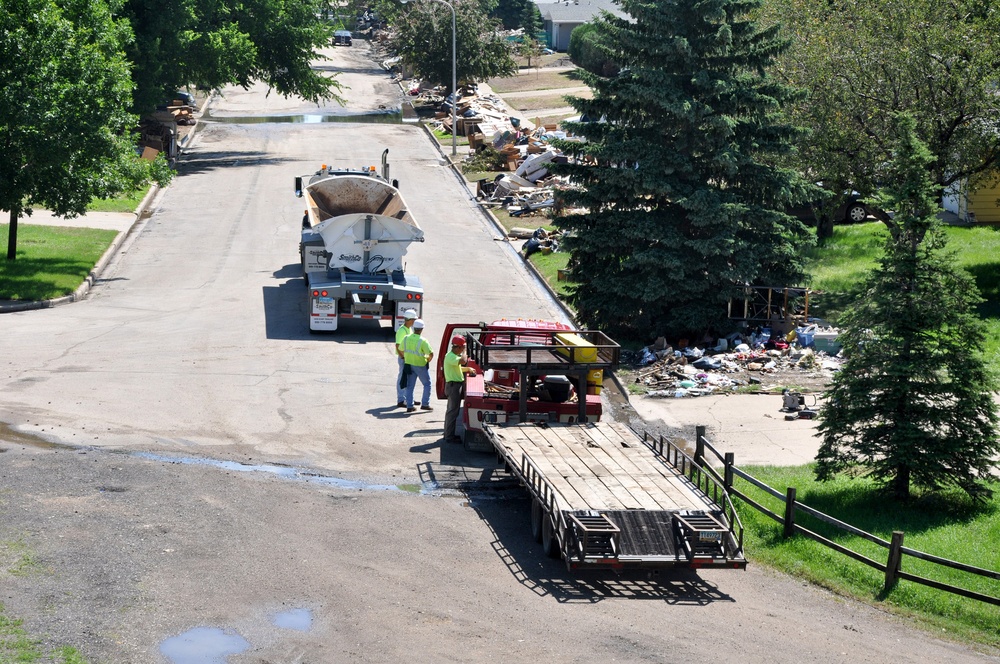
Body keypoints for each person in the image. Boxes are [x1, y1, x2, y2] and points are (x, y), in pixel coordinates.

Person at [443, 335, 476, 443]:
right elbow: (463, 361)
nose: (463, 350)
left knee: (452, 411)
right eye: (462, 348)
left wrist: (468, 369)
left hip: (455, 385)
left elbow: (458, 367)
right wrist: (465, 351)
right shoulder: (451, 356)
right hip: (454, 387)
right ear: (458, 347)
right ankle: (449, 436)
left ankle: (449, 434)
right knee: (452, 412)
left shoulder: (452, 356)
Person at [402, 319, 434, 413]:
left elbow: (401, 349)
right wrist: (428, 360)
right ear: (421, 329)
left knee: (410, 386)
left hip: (409, 364)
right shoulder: (423, 341)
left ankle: (409, 406)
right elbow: (431, 354)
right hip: (420, 365)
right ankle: (425, 404)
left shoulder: (406, 338)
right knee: (427, 384)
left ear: (414, 328)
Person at [395, 309, 417, 407]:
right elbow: (398, 345)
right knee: (402, 378)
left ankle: (408, 398)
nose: (414, 321)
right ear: (409, 320)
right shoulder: (402, 331)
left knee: (408, 378)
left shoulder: (409, 329)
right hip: (404, 358)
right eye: (413, 319)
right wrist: (403, 357)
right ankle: (401, 399)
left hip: (408, 358)